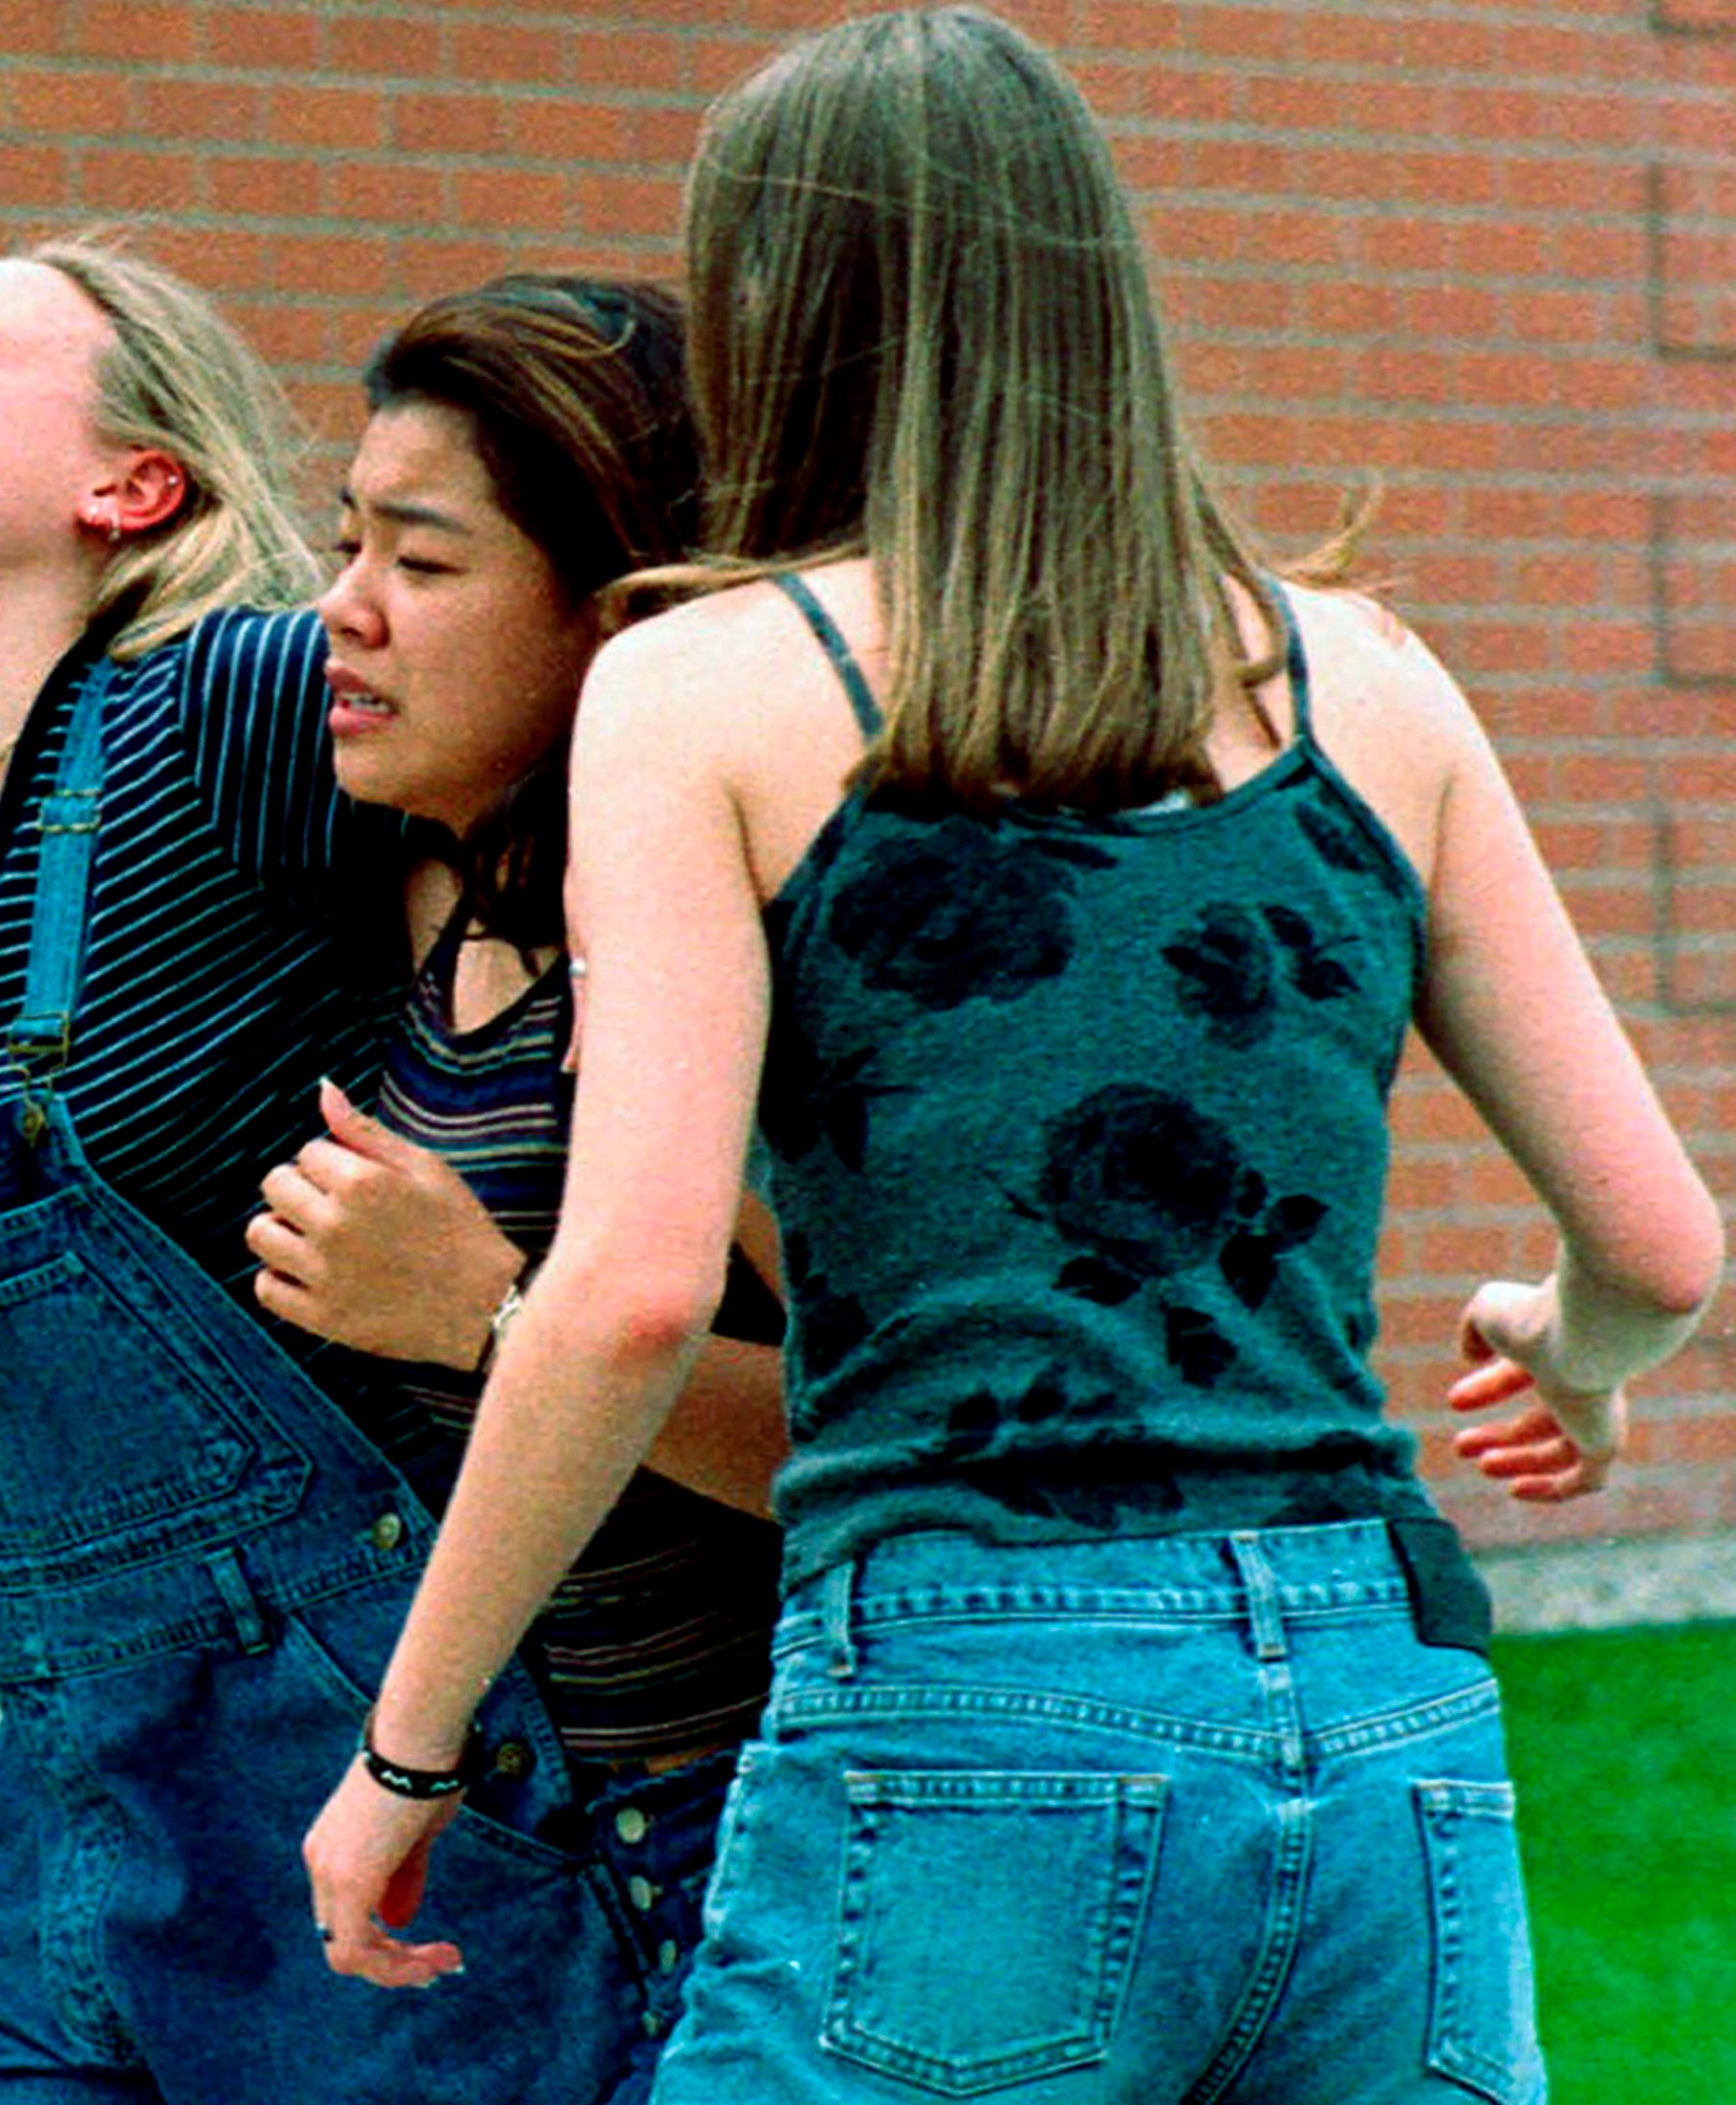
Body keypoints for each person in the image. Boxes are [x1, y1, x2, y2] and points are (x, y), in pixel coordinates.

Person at [302, 13, 1723, 2103]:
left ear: (781, 312)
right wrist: (1568, 1353)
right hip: (1386, 1708)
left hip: (964, 1712)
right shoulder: (1369, 676)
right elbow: (1661, 1246)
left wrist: (400, 1752)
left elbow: (619, 1293)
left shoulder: (708, 686)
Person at [0, 238, 697, 2102]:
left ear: (130, 487)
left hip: (387, 1833)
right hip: (70, 1831)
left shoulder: (224, 715)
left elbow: (595, 692)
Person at [244, 274, 788, 2087]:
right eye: (344, 544)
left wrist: (487, 1316)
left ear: (612, 611)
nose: (346, 611)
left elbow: (880, 1441)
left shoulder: (717, 952)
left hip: (720, 1840)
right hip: (488, 1850)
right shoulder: (415, 875)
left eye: (426, 561)